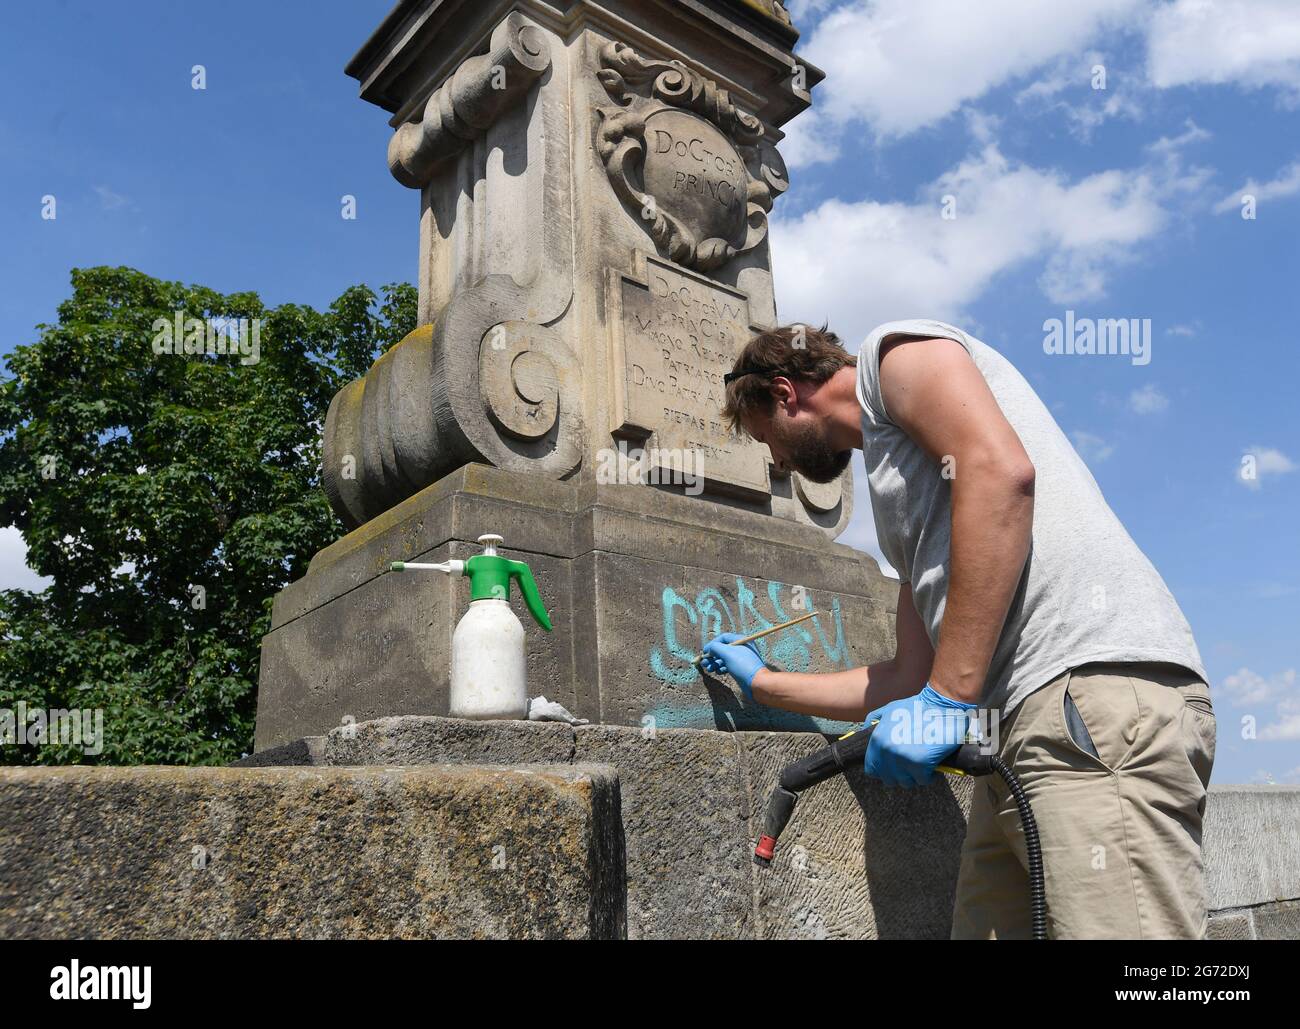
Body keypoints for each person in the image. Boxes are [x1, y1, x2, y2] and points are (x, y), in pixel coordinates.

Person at [699, 318, 1216, 939]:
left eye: (767, 440)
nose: (777, 462)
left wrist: (946, 700)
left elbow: (1001, 473)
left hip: (1085, 701)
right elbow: (906, 677)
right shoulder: (899, 494)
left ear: (786, 394)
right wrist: (763, 684)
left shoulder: (896, 355)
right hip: (1017, 736)